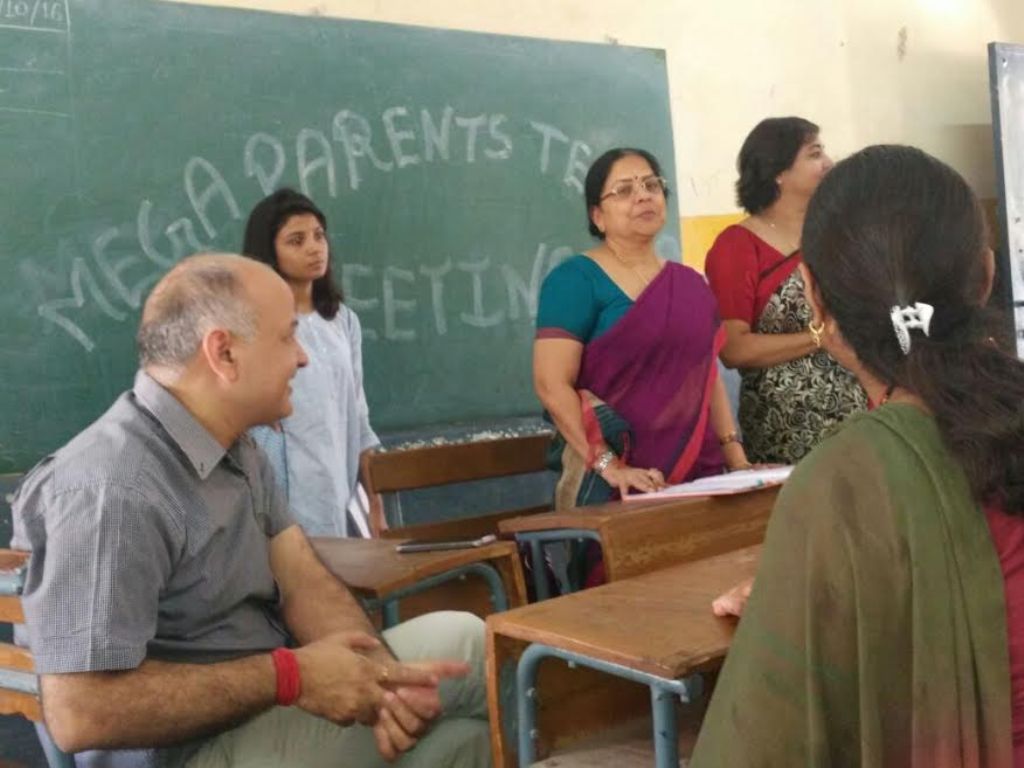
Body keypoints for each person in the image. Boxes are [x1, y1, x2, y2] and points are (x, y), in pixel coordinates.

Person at [10, 254, 490, 768]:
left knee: (468, 726)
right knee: (472, 663)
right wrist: (292, 677)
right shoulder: (110, 488)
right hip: (186, 753)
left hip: (262, 711)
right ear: (224, 353)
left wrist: (378, 686)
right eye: (287, 337)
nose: (302, 358)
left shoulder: (237, 449)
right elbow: (81, 713)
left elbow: (303, 581)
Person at [690, 145, 1024, 766]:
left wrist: (803, 600)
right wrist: (817, 579)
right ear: (984, 276)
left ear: (814, 298)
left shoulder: (848, 478)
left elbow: (758, 745)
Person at [534, 147, 750, 513]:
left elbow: (706, 376)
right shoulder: (575, 281)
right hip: (618, 484)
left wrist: (737, 459)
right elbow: (550, 384)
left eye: (651, 185)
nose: (643, 195)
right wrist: (610, 467)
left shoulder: (690, 284)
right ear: (598, 216)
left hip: (702, 474)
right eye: (624, 190)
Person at [705, 117, 866, 464]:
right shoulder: (737, 247)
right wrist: (819, 338)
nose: (829, 163)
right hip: (784, 425)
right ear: (778, 171)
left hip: (861, 412)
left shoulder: (839, 236)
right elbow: (732, 349)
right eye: (814, 154)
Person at [242, 189, 382, 537]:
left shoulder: (342, 321)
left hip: (340, 491)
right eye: (296, 240)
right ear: (269, 251)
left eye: (319, 236)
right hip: (283, 494)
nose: (314, 247)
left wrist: (375, 503)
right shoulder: (254, 324)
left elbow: (359, 417)